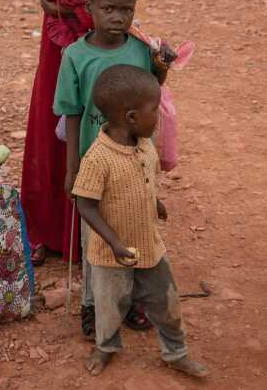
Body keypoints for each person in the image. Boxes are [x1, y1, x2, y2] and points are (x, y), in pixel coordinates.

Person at [22, 0, 136, 271]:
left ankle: (95, 232)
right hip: (63, 48)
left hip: (105, 47)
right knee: (56, 132)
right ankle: (47, 229)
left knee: (99, 133)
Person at [55, 0, 172, 342]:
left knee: (138, 227)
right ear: (89, 7)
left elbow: (154, 92)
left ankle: (133, 302)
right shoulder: (75, 56)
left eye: (127, 10)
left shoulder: (141, 49)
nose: (118, 18)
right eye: (109, 9)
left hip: (137, 160)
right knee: (97, 242)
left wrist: (161, 66)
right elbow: (72, 114)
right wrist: (72, 167)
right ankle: (92, 305)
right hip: (96, 164)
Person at [73, 64, 209, 379]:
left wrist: (155, 202)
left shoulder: (144, 145)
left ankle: (176, 352)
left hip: (149, 246)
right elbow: (86, 205)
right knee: (110, 307)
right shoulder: (98, 158)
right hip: (111, 255)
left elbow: (143, 181)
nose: (159, 118)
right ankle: (106, 347)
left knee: (166, 302)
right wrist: (115, 242)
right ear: (132, 117)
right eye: (154, 112)